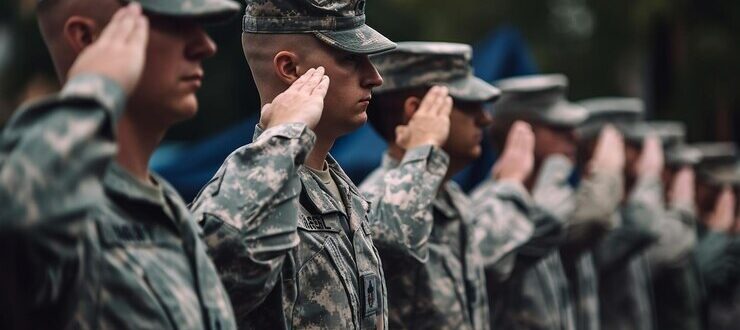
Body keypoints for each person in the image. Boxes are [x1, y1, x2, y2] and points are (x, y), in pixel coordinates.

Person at [0, 1, 248, 328]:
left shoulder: (169, 208)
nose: (205, 46)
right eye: (175, 24)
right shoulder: (65, 216)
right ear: (88, 39)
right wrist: (96, 86)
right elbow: (15, 213)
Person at [189, 0, 397, 328]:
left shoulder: (344, 192)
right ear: (289, 69)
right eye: (349, 59)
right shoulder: (247, 196)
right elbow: (208, 277)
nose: (375, 77)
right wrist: (284, 136)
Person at [360, 41, 536, 329]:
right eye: (468, 105)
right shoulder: (376, 202)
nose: (485, 118)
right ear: (416, 111)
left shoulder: (452, 198)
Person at [487, 75, 626, 330]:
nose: (574, 136)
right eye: (558, 127)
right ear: (522, 131)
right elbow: (588, 218)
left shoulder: (554, 198)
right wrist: (606, 173)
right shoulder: (494, 210)